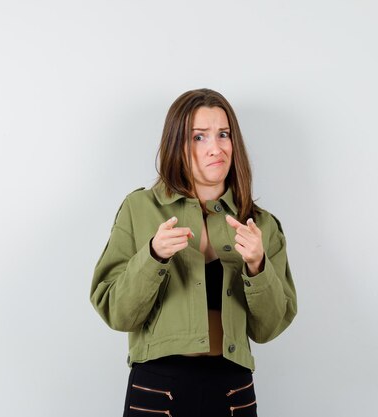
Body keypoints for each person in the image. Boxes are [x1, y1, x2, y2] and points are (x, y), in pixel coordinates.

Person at [90, 89, 297, 417]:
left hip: (233, 389)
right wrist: (153, 256)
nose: (215, 148)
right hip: (157, 388)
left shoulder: (261, 225)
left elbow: (268, 329)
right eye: (198, 137)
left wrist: (258, 266)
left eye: (223, 134)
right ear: (177, 145)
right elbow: (117, 313)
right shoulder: (139, 209)